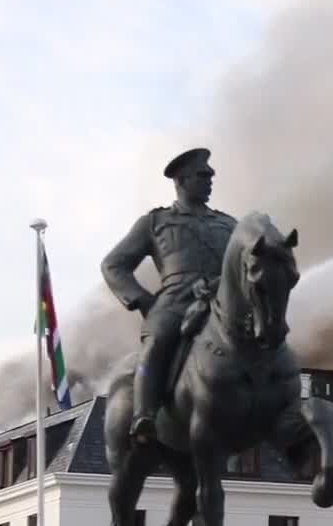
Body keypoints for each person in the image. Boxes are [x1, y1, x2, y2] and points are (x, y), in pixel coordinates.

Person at [101, 147, 237, 443]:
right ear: (182, 180)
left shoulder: (229, 225)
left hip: (222, 303)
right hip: (176, 302)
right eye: (203, 175)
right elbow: (114, 264)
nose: (210, 179)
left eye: (211, 175)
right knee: (158, 339)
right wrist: (142, 299)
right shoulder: (155, 223)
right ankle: (144, 414)